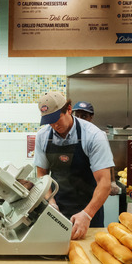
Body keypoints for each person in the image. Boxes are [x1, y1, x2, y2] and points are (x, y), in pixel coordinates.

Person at [33, 91, 114, 240]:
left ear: (69, 110)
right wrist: (50, 202)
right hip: (58, 210)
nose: (54, 125)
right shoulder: (43, 136)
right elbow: (42, 174)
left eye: (57, 119)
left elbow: (105, 183)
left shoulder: (94, 136)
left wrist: (87, 214)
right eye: (49, 121)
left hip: (90, 212)